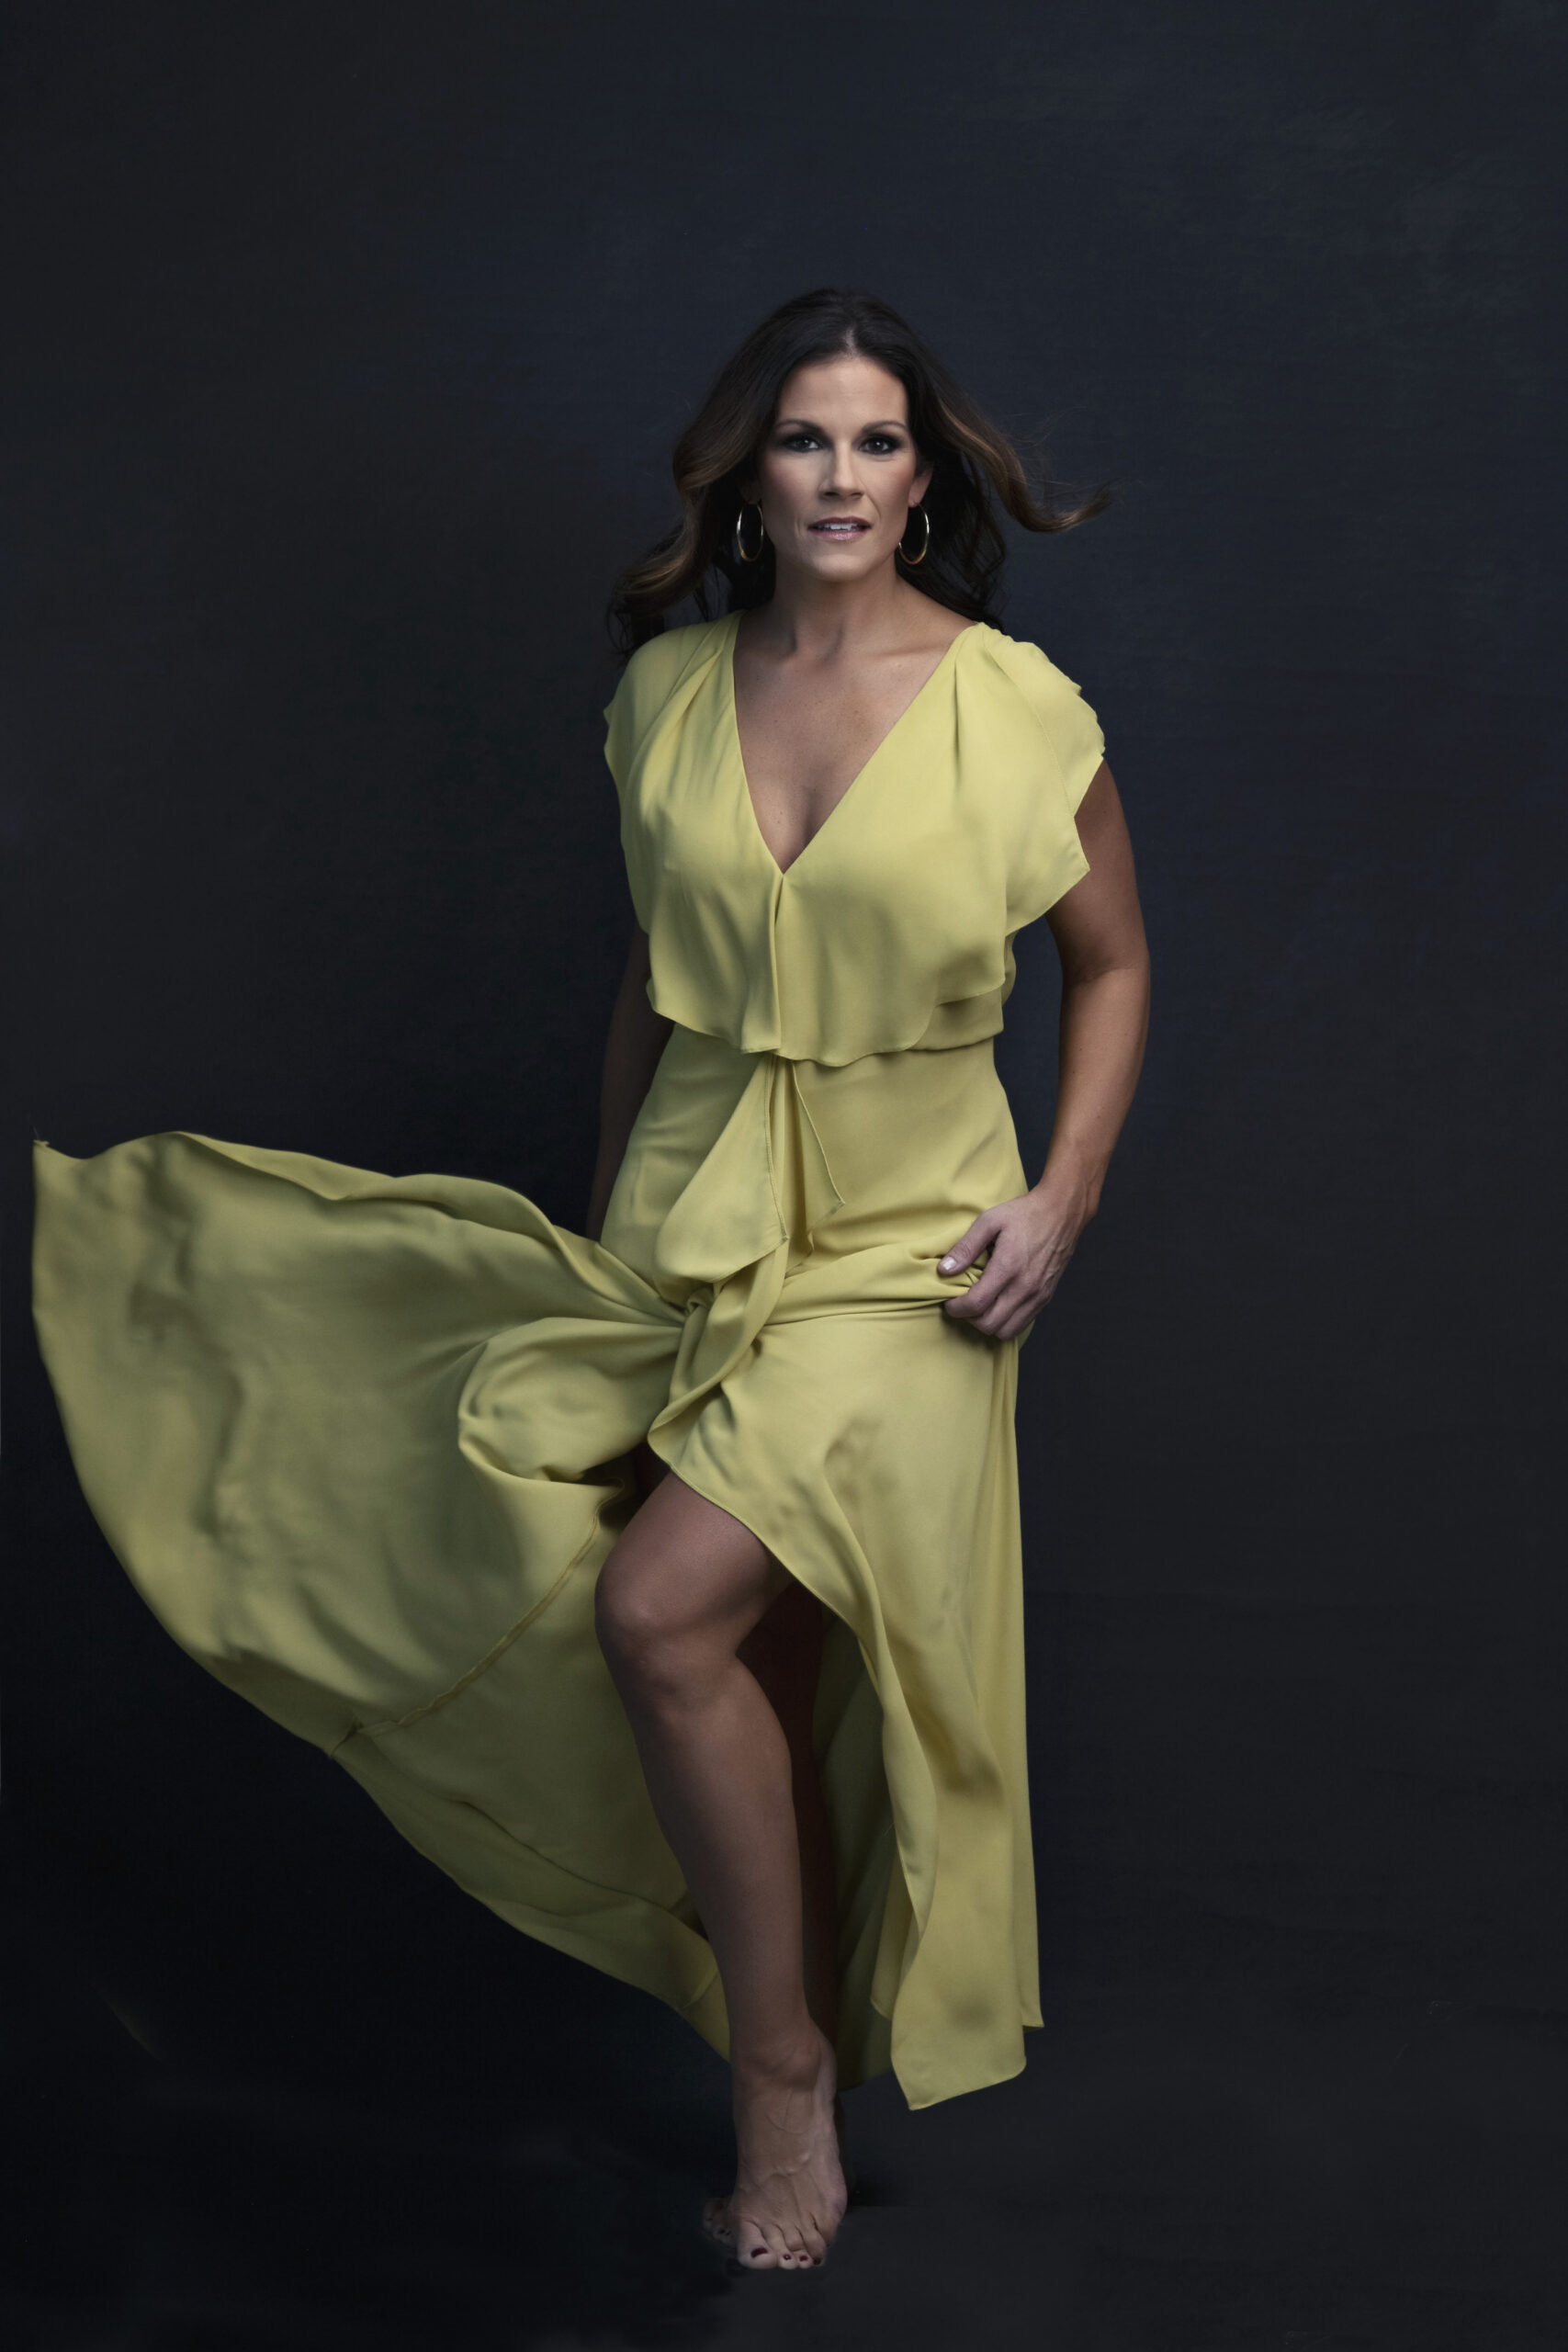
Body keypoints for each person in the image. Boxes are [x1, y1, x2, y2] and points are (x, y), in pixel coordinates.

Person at [30, 288, 1150, 2276]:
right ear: (748, 472)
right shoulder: (667, 699)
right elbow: (648, 979)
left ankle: (778, 2075)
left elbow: (1114, 962)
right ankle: (788, 2026)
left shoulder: (1017, 709)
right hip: (697, 1217)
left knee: (659, 1607)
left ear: (923, 477)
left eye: (876, 440)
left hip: (909, 1246)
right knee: (744, 1652)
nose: (839, 476)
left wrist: (1060, 1195)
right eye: (802, 437)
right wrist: (614, 1226)